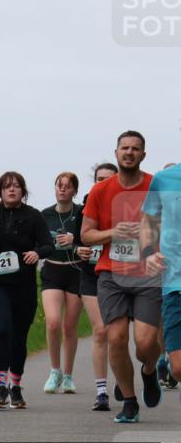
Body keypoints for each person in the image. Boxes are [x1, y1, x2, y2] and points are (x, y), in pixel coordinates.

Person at [81, 131, 161, 423]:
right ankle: (129, 401)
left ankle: (150, 370)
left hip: (148, 275)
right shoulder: (101, 191)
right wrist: (113, 233)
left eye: (135, 149)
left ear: (143, 154)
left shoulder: (156, 186)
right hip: (111, 273)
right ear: (116, 153)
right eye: (124, 148)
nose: (129, 152)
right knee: (115, 338)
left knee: (145, 343)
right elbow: (86, 235)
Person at [0, 172, 54, 410]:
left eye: (16, 186)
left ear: (23, 191)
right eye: (7, 187)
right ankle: (0, 385)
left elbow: (48, 244)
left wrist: (37, 252)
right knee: (3, 329)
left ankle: (15, 387)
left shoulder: (33, 216)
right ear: (0, 191)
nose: (11, 190)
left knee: (19, 336)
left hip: (23, 285)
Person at [39, 173, 89, 394]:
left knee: (70, 326)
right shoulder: (44, 215)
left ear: (74, 191)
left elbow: (89, 237)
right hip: (52, 269)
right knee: (52, 322)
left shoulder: (82, 213)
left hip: (76, 270)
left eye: (68, 187)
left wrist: (74, 240)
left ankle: (68, 376)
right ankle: (54, 370)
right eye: (59, 186)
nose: (63, 190)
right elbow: (37, 243)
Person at [80, 163, 119, 410]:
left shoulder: (127, 203)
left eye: (107, 178)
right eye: (98, 178)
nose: (102, 183)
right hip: (90, 274)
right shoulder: (88, 201)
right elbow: (78, 236)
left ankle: (122, 378)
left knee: (118, 334)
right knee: (101, 330)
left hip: (119, 273)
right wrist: (79, 248)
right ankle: (101, 390)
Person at [142, 162, 181, 400]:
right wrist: (149, 252)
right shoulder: (164, 179)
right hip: (175, 283)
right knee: (177, 368)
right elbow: (148, 221)